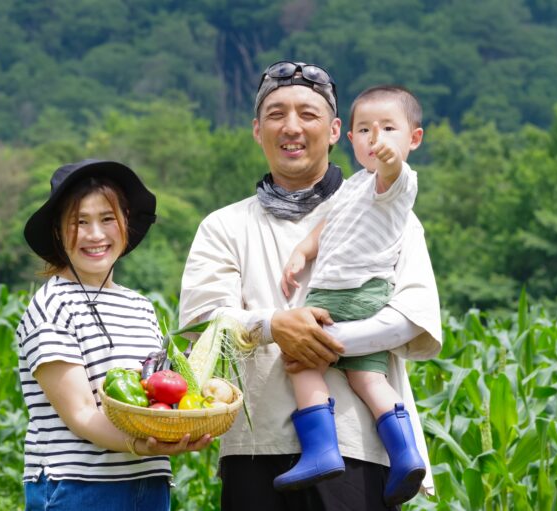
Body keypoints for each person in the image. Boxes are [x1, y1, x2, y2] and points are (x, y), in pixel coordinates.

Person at [179, 61, 442, 510]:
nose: (292, 127)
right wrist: (273, 324)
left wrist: (327, 340)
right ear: (257, 130)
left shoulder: (392, 216)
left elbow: (411, 316)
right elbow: (205, 322)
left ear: (339, 130)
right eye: (277, 114)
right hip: (255, 447)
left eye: (308, 114)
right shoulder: (224, 225)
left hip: (358, 447)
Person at [18, 159, 212, 511]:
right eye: (80, 222)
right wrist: (145, 444)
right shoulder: (51, 304)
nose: (96, 235)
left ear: (125, 222)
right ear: (59, 233)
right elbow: (80, 414)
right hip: (78, 487)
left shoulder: (140, 306)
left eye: (107, 219)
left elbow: (156, 396)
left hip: (148, 483)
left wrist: (182, 425)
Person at [275, 85, 426, 504]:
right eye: (364, 129)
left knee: (301, 362)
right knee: (368, 378)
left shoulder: (394, 184)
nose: (374, 138)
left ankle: (321, 450)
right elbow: (329, 228)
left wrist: (391, 160)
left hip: (342, 293)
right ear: (349, 136)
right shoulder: (354, 187)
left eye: (388, 128)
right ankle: (405, 453)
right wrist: (302, 253)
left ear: (413, 139)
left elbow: (394, 177)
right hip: (363, 294)